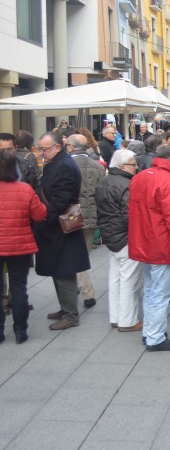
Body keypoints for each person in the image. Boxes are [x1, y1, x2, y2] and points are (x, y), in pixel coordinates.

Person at [128, 144, 170, 352]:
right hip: (160, 244)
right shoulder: (168, 182)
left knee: (150, 291)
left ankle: (151, 332)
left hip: (143, 241)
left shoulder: (140, 177)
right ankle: (155, 337)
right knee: (159, 294)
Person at [34, 132, 92, 330]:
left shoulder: (64, 165)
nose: (41, 153)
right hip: (55, 225)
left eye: (44, 149)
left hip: (60, 225)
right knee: (57, 269)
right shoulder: (57, 162)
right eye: (40, 149)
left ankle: (70, 314)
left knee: (64, 270)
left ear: (57, 147)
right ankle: (64, 308)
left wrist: (43, 217)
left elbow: (61, 199)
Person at [0, 150, 46, 343]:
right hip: (20, 246)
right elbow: (40, 215)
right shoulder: (25, 189)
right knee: (19, 288)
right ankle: (20, 331)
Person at [95, 149, 143, 331]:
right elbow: (130, 214)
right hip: (125, 236)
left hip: (110, 234)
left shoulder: (105, 181)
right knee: (129, 280)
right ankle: (127, 320)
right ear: (123, 166)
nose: (136, 167)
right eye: (133, 164)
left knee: (115, 278)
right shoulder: (128, 184)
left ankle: (116, 316)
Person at [67, 134, 105, 309]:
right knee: (83, 253)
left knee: (74, 255)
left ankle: (87, 292)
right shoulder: (97, 166)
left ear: (71, 147)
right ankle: (78, 287)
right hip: (91, 214)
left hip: (70, 214)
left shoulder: (65, 165)